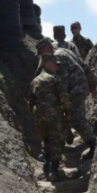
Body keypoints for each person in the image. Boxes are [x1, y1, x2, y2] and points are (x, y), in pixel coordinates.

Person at [35, 38, 97, 159]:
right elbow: (84, 66)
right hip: (80, 86)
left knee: (77, 118)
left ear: (46, 48)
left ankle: (94, 145)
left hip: (75, 90)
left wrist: (61, 100)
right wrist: (92, 85)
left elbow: (62, 81)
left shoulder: (56, 57)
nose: (43, 56)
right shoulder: (65, 50)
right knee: (74, 117)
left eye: (42, 53)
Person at [29, 53, 70, 182]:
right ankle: (54, 170)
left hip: (39, 116)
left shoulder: (34, 81)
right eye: (54, 65)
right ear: (46, 64)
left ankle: (46, 168)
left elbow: (31, 102)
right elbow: (64, 97)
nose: (56, 68)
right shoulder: (54, 79)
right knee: (57, 141)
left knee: (46, 140)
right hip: (54, 115)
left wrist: (34, 116)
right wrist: (68, 112)